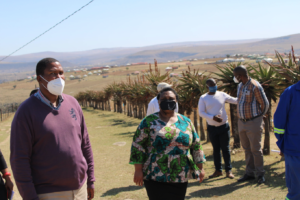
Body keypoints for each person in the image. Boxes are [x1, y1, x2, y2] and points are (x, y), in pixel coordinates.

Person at [10, 58, 95, 200]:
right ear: (40, 78)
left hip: (80, 189)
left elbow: (85, 144)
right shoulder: (26, 111)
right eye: (52, 73)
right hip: (48, 193)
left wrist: (90, 180)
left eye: (61, 73)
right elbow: (19, 159)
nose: (59, 78)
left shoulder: (72, 103)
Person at [129, 87, 206, 200]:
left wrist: (200, 168)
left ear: (176, 101)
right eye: (164, 98)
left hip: (180, 174)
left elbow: (196, 145)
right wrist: (138, 170)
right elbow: (137, 145)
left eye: (171, 98)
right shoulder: (148, 121)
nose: (167, 101)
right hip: (154, 174)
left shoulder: (186, 121)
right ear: (158, 102)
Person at [233, 65, 269, 184]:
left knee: (256, 149)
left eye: (235, 76)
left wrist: (259, 117)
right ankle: (249, 173)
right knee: (247, 149)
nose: (234, 78)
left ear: (240, 75)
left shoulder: (255, 86)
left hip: (253, 122)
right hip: (242, 122)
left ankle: (260, 175)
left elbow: (265, 104)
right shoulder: (240, 85)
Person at [198, 78, 237, 179]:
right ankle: (218, 170)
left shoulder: (222, 95)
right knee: (216, 149)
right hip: (212, 127)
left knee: (226, 149)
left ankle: (228, 171)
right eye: (211, 85)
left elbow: (235, 100)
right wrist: (213, 118)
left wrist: (244, 97)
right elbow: (201, 112)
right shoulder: (203, 98)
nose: (213, 86)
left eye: (214, 84)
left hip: (224, 126)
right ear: (207, 87)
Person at [274, 81, 300, 200]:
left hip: (293, 148)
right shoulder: (290, 92)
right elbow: (279, 122)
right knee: (296, 190)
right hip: (294, 149)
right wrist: (283, 144)